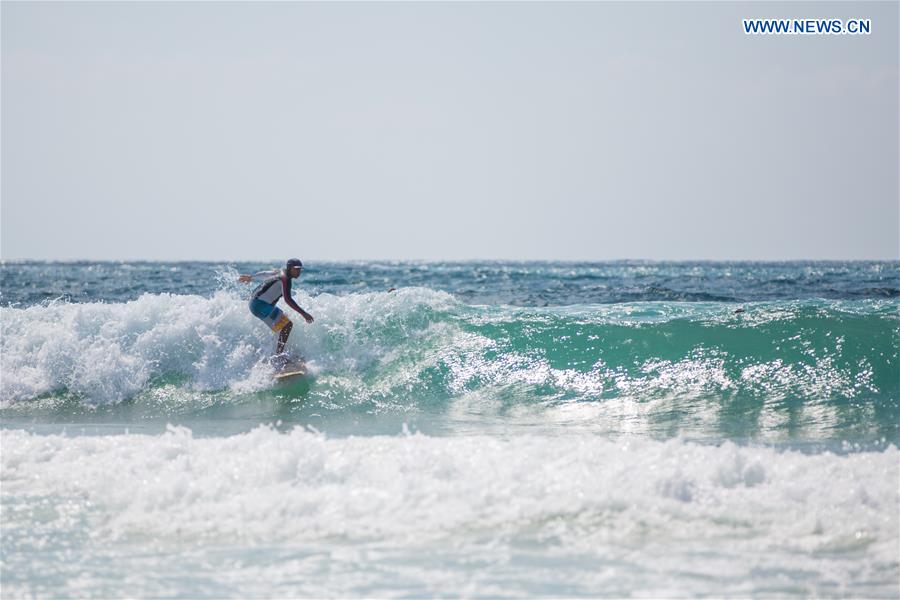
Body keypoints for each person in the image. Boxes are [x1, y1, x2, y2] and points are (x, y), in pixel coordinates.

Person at [238, 258, 314, 362]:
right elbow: (288, 299)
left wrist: (251, 277)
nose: (298, 272)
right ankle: (279, 356)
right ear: (289, 268)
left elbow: (265, 274)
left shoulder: (280, 272)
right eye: (296, 269)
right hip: (260, 305)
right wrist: (304, 313)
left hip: (255, 303)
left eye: (300, 269)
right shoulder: (285, 279)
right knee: (287, 325)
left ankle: (270, 351)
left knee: (284, 320)